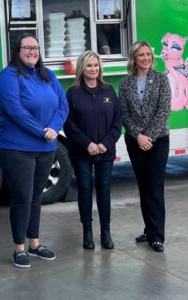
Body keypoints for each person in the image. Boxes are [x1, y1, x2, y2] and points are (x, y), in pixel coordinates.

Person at [0, 32, 68, 268]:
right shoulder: (9, 76)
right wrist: (41, 131)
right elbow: (15, 110)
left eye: (35, 48)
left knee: (36, 197)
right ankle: (19, 248)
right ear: (17, 51)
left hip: (46, 147)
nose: (32, 52)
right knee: (22, 197)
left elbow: (63, 105)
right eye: (26, 47)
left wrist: (54, 128)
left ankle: (35, 244)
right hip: (17, 148)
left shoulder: (48, 75)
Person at [64, 51, 121, 250]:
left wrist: (106, 143)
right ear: (82, 68)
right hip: (82, 152)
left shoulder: (109, 91)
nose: (93, 69)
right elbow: (68, 124)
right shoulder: (73, 93)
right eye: (89, 66)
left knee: (104, 190)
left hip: (106, 151)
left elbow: (117, 121)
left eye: (96, 65)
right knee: (86, 190)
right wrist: (87, 143)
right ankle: (87, 233)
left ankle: (106, 232)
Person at [119, 41, 171, 253]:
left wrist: (148, 136)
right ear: (134, 58)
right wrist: (138, 136)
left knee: (155, 186)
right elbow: (123, 113)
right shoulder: (125, 83)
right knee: (143, 186)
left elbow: (164, 111)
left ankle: (157, 236)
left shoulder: (161, 80)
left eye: (148, 54)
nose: (145, 58)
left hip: (158, 141)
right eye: (141, 55)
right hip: (134, 141)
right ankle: (149, 229)